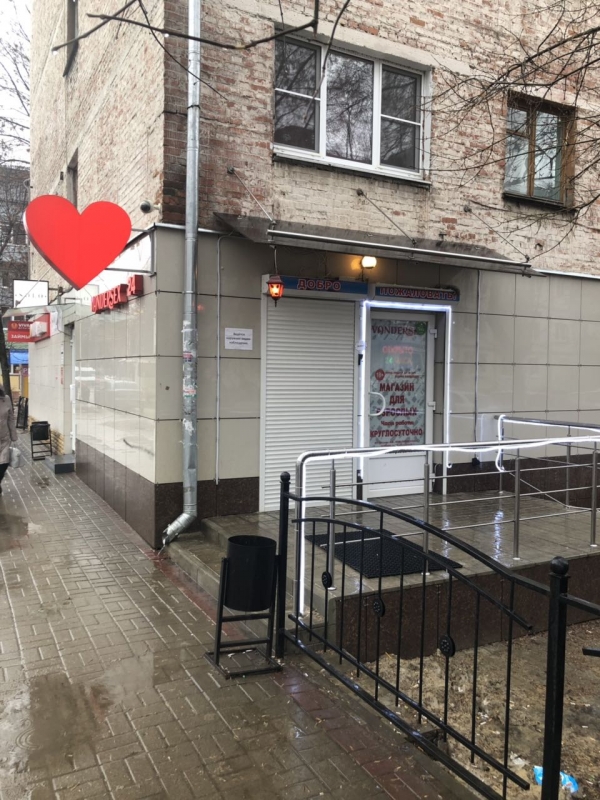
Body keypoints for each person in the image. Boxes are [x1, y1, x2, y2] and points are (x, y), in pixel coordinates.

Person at [0, 386, 17, 495]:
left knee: (4, 463)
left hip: (4, 438)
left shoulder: (6, 399)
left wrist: (13, 436)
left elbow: (10, 418)